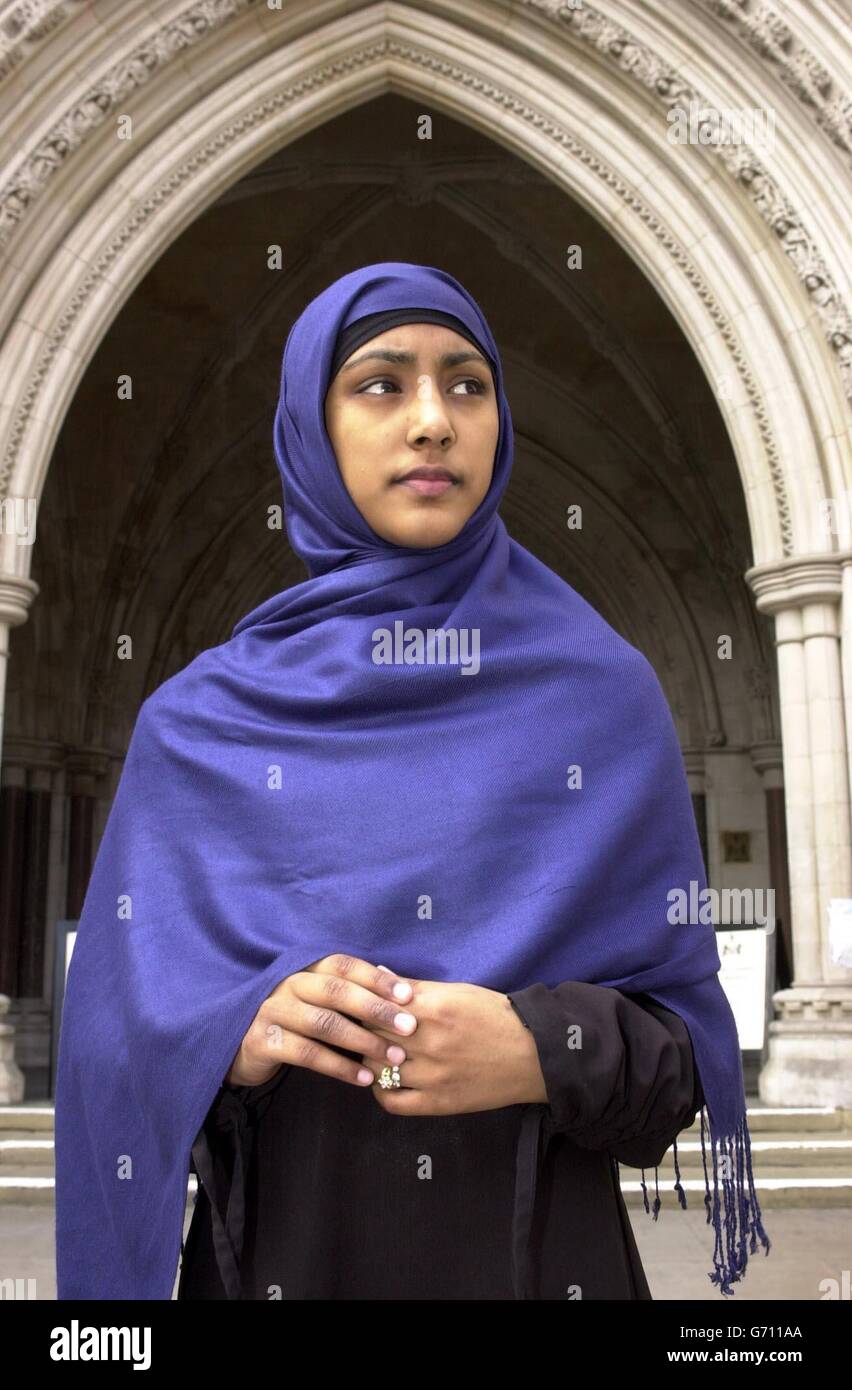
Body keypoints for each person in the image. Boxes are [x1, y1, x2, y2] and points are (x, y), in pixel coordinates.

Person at [54, 262, 770, 1302]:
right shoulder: (198, 728)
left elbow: (681, 1057)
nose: (433, 421)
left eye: (467, 384)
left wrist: (538, 1047)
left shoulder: (602, 696)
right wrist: (234, 1038)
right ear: (312, 424)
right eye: (382, 383)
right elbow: (111, 1056)